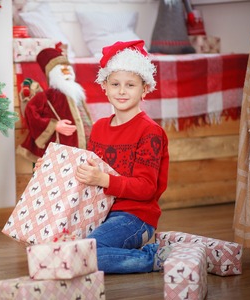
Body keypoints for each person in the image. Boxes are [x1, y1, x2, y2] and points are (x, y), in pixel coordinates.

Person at [74, 40, 170, 273]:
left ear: (144, 89)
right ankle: (124, 255)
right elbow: (88, 172)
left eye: (130, 85)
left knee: (88, 253)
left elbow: (146, 188)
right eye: (115, 84)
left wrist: (104, 180)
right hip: (100, 212)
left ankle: (154, 257)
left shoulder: (150, 132)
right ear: (104, 86)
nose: (122, 91)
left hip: (136, 217)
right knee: (66, 246)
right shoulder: (98, 128)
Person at [16, 47, 93, 163]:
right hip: (63, 148)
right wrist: (54, 125)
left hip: (85, 148)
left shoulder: (76, 93)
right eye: (61, 69)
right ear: (52, 73)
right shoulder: (47, 96)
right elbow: (30, 113)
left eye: (68, 67)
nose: (66, 71)